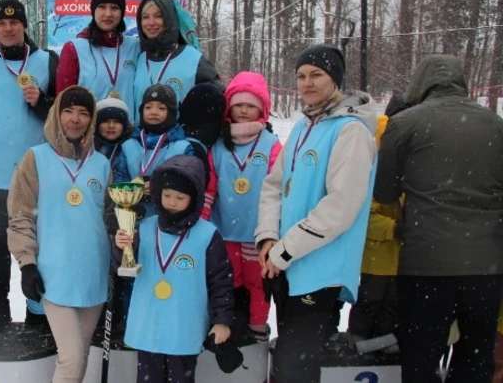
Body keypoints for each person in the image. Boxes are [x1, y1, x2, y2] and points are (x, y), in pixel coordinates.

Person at [374, 55, 503, 383]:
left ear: (420, 82)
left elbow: (384, 192)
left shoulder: (405, 124)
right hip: (486, 267)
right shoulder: (495, 124)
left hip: (426, 264)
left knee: (421, 359)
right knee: (476, 358)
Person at [255, 44, 377, 383]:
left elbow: (340, 207)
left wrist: (284, 251)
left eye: (316, 75)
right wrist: (268, 237)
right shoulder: (302, 127)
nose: (307, 83)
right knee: (290, 362)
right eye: (301, 76)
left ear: (335, 79)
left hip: (321, 270)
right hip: (288, 265)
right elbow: (274, 186)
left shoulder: (351, 131)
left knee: (296, 366)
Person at [7, 86, 113, 383]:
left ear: (91, 120)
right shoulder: (36, 158)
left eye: (83, 113)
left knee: (81, 355)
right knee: (71, 356)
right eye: (68, 111)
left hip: (93, 273)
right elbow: (21, 214)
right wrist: (27, 263)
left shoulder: (102, 164)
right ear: (56, 114)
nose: (75, 119)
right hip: (54, 273)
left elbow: (109, 216)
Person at [0, 0, 58, 332]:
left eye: (14, 22)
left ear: (24, 25)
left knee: (40, 243)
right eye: (1, 23)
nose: (8, 28)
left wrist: (42, 101)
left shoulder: (47, 61)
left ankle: (38, 310)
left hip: (38, 172)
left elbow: (63, 115)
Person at [113, 155, 234, 383]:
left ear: (194, 198)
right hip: (148, 327)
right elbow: (123, 267)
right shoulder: (144, 228)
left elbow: (220, 282)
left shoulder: (207, 235)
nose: (172, 202)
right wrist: (121, 248)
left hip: (184, 327)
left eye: (180, 197)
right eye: (167, 195)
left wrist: (222, 321)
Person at [202, 71, 281, 342]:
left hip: (257, 234)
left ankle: (257, 329)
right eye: (238, 105)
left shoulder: (271, 145)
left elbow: (278, 188)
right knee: (227, 282)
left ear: (262, 109)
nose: (244, 111)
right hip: (224, 231)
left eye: (251, 105)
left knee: (257, 284)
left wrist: (274, 229)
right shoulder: (218, 145)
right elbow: (210, 188)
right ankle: (230, 329)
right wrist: (202, 222)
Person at [347, 96, 407, 353]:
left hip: (403, 256)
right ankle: (358, 342)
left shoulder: (413, 155)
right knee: (370, 299)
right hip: (377, 253)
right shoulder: (377, 153)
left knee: (392, 302)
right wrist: (394, 228)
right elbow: (363, 212)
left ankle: (383, 344)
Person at [56, 0, 141, 119]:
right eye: (102, 7)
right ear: (93, 10)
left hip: (128, 130)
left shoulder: (135, 47)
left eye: (114, 7)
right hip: (90, 131)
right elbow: (63, 103)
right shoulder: (74, 48)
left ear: (122, 12)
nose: (108, 13)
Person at [131, 0, 219, 123]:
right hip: (140, 135)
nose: (151, 22)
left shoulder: (193, 59)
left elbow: (215, 103)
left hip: (179, 135)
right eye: (145, 17)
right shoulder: (138, 58)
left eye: (158, 16)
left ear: (170, 19)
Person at [113, 84, 194, 219]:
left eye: (161, 108)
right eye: (148, 107)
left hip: (168, 221)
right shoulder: (128, 145)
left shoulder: (183, 148)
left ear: (171, 113)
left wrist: (161, 185)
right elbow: (119, 179)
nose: (153, 112)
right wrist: (131, 192)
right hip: (133, 218)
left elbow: (187, 184)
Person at [93, 97, 131, 163]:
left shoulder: (132, 149)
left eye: (117, 122)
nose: (111, 126)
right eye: (105, 121)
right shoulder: (87, 148)